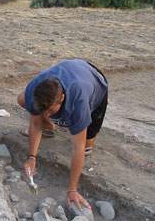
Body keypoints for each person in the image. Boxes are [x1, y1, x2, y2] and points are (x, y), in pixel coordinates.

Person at [17, 59, 109, 209]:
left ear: (62, 99)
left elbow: (77, 149)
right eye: (44, 111)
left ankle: (68, 127)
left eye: (51, 111)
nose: (46, 114)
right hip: (71, 69)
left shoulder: (78, 101)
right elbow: (35, 123)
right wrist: (31, 157)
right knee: (23, 101)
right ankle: (49, 127)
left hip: (94, 80)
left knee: (86, 146)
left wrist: (72, 190)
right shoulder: (34, 90)